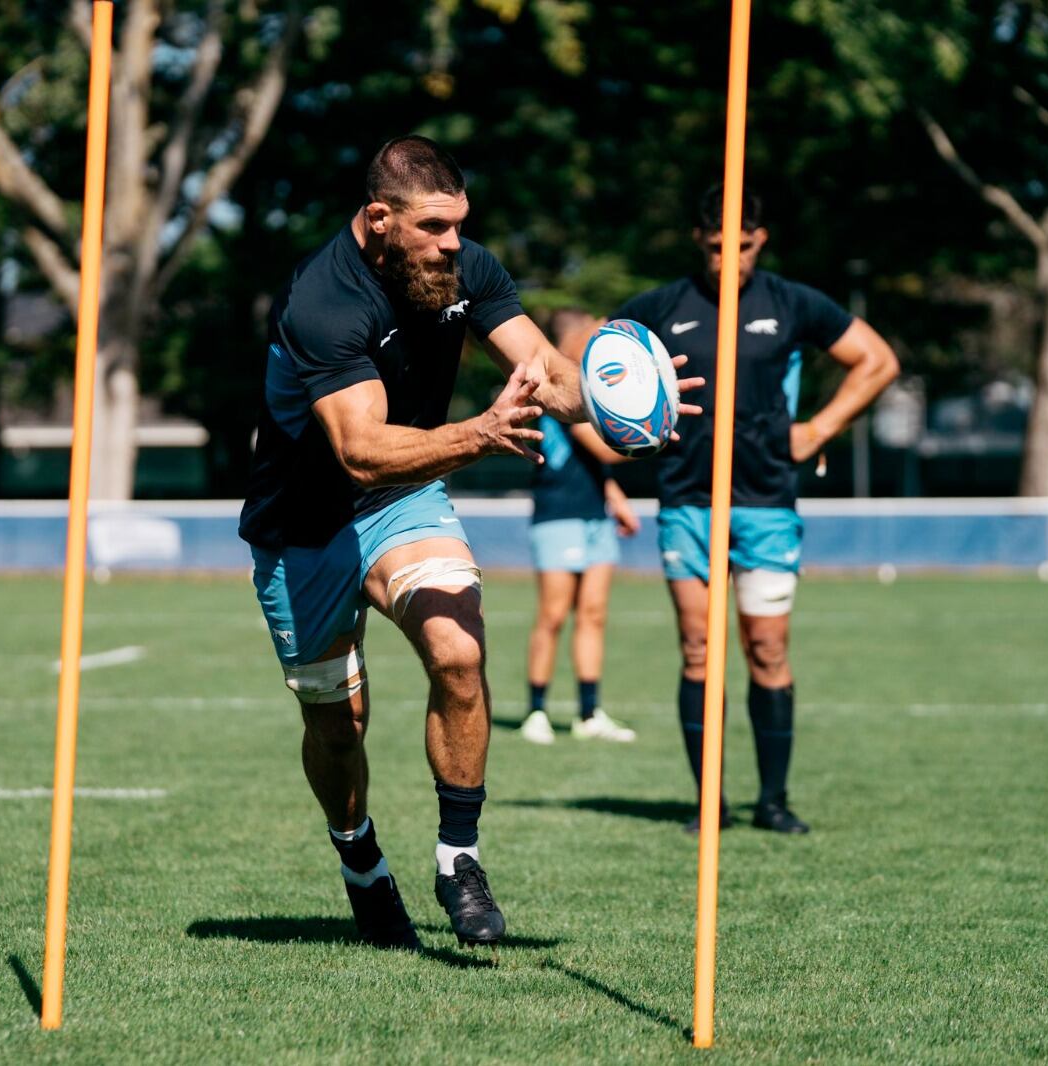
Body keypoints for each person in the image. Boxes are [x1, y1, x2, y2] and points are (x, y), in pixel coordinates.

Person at [239, 136, 703, 948]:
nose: (454, 243)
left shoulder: (466, 270)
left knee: (458, 651)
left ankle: (459, 859)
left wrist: (624, 406)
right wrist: (480, 434)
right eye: (434, 227)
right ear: (379, 220)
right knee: (337, 723)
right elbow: (361, 450)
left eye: (460, 224)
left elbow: (545, 372)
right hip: (304, 524)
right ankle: (360, 860)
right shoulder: (324, 301)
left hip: (402, 501)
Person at [610, 185, 898, 834]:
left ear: (760, 240)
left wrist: (818, 429)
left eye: (741, 246)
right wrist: (627, 427)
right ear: (699, 241)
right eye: (717, 247)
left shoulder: (791, 303)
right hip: (688, 501)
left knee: (766, 648)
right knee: (698, 648)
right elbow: (591, 365)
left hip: (766, 503)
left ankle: (773, 800)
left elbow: (878, 362)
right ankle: (708, 801)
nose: (729, 259)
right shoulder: (661, 307)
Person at [519, 308, 643, 746]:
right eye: (593, 335)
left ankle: (589, 714)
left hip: (594, 515)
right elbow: (605, 449)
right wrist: (658, 428)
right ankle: (537, 712)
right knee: (553, 615)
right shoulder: (560, 391)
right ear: (569, 342)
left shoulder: (589, 388)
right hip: (559, 515)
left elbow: (592, 464)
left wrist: (616, 499)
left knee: (593, 614)